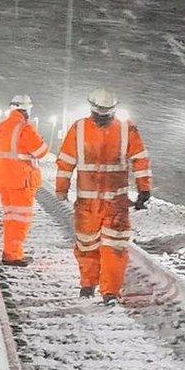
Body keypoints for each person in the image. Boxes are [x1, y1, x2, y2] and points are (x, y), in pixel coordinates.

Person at [55, 87, 151, 304]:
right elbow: (140, 160)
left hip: (99, 203)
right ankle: (97, 288)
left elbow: (65, 162)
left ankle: (101, 289)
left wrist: (62, 189)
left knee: (102, 247)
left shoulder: (79, 128)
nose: (103, 116)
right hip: (111, 202)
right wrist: (144, 188)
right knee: (102, 247)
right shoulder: (126, 128)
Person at [0, 94, 49, 267]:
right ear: (27, 110)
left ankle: (10, 251)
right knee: (20, 219)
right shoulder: (24, 128)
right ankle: (13, 255)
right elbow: (41, 151)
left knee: (10, 217)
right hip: (21, 181)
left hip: (3, 180)